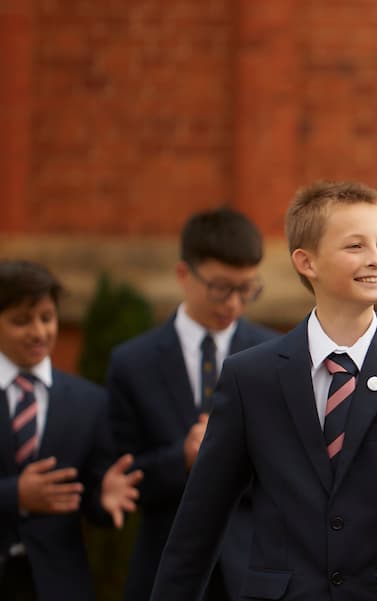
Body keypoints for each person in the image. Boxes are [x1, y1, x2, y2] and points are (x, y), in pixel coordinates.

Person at [149, 181, 377, 601]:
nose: (376, 259)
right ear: (307, 262)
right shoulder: (251, 377)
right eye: (355, 246)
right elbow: (198, 524)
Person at [107, 207, 280, 601]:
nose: (234, 303)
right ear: (184, 275)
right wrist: (182, 459)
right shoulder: (133, 362)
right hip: (166, 569)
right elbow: (119, 471)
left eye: (247, 289)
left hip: (253, 570)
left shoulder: (276, 356)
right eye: (221, 288)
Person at [0, 260, 143, 600]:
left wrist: (105, 499)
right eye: (21, 321)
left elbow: (89, 493)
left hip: (59, 585)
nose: (38, 332)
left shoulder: (88, 401)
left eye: (46, 318)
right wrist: (14, 495)